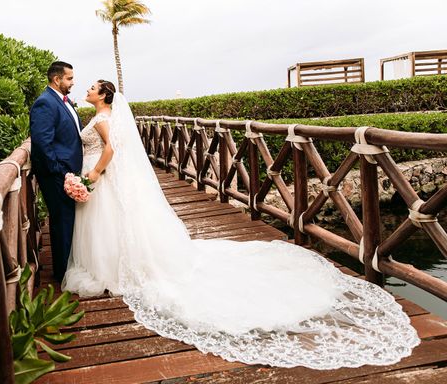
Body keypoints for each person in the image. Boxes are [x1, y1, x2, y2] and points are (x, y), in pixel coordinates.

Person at [61, 79, 420, 369]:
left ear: (105, 94)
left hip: (102, 176)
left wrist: (92, 173)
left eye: (92, 87)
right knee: (117, 224)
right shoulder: (101, 115)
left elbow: (110, 150)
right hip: (107, 182)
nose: (87, 89)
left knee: (115, 224)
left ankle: (116, 266)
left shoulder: (105, 118)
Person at [29, 61, 82, 281]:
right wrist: (59, 172)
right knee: (61, 222)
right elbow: (42, 142)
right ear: (56, 79)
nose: (73, 82)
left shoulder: (64, 100)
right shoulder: (45, 103)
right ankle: (62, 274)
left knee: (68, 220)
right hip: (57, 175)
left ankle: (69, 266)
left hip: (68, 172)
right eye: (69, 78)